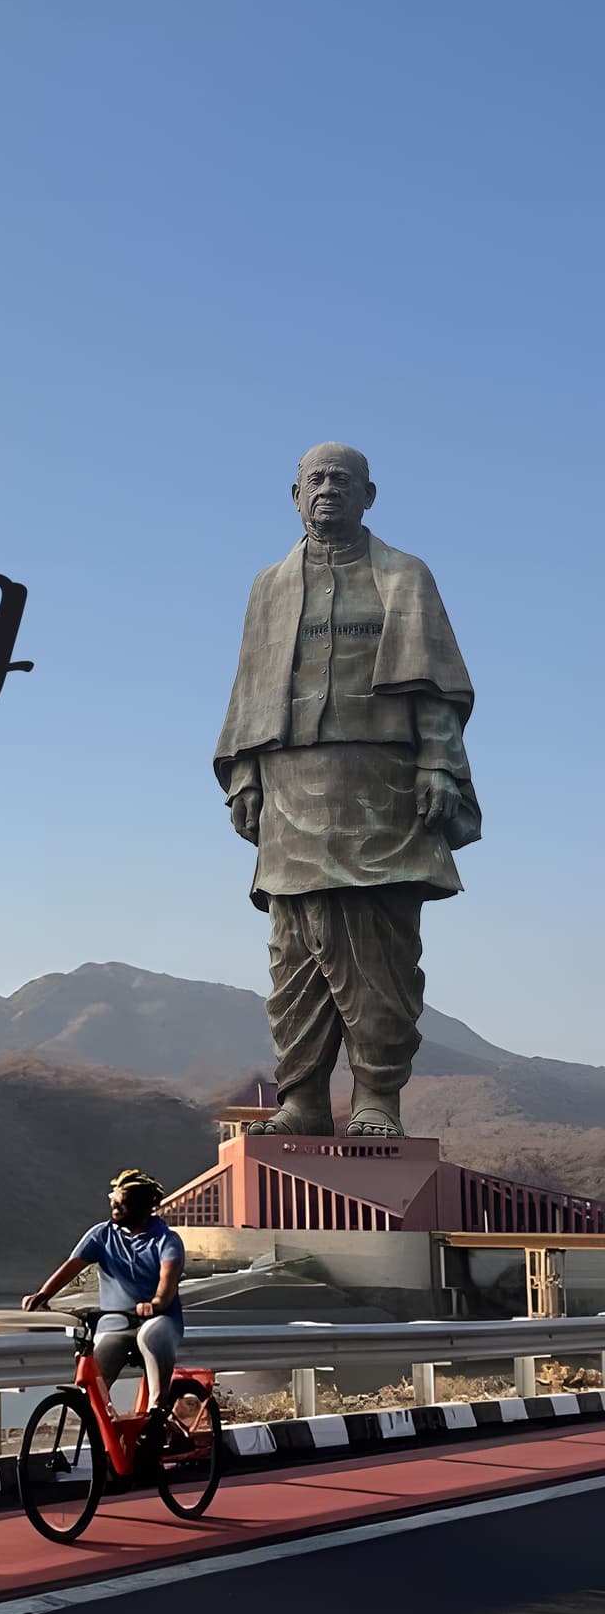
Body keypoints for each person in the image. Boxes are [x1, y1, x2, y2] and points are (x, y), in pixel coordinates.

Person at [214, 441, 481, 1138]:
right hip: (290, 784)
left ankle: (376, 1100)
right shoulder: (268, 586)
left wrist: (437, 766)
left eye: (342, 480)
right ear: (294, 494)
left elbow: (437, 691)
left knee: (381, 948)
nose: (328, 489)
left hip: (380, 782)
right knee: (293, 948)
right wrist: (245, 777)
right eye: (316, 480)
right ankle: (302, 1098)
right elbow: (248, 693)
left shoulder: (404, 577)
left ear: (370, 494)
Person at [21, 1169, 185, 1461]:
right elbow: (72, 1266)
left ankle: (158, 1416)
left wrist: (156, 1304)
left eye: (123, 1202)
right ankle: (107, 1450)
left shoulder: (167, 1240)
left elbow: (167, 1282)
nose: (115, 1207)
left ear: (143, 1206)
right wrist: (43, 1296)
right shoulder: (101, 1234)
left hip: (157, 1320)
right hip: (116, 1323)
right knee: (95, 1381)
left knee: (151, 1334)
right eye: (114, 1201)